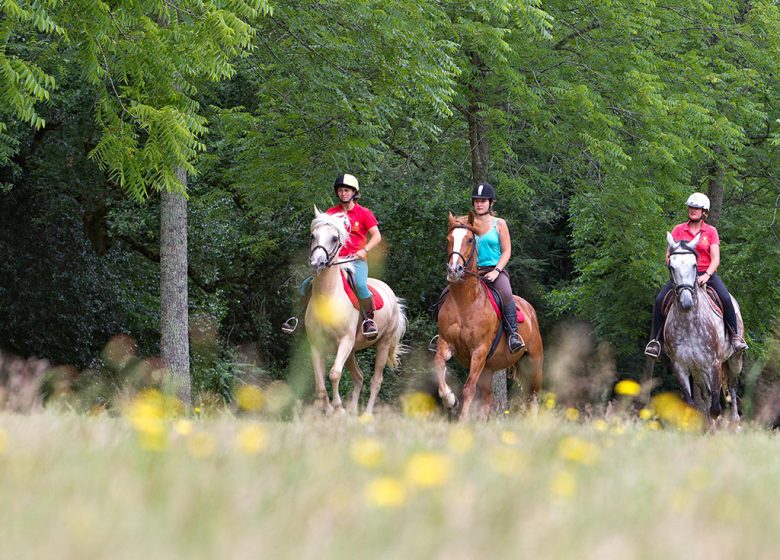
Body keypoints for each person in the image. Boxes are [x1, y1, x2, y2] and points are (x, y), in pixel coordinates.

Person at [644, 192, 748, 359]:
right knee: (659, 300)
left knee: (725, 298)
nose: (692, 210)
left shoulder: (711, 231)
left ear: (704, 212)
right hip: (682, 276)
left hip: (706, 274)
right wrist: (675, 267)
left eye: (696, 208)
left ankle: (735, 337)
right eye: (691, 207)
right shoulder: (678, 230)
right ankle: (656, 341)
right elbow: (668, 257)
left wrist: (707, 275)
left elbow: (716, 259)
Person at [282, 173, 382, 340]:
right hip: (333, 261)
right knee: (306, 284)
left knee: (360, 285)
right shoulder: (330, 213)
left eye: (347, 190)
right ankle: (297, 319)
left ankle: (368, 321)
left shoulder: (364, 213)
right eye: (340, 190)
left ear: (354, 193)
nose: (343, 193)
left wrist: (365, 250)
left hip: (355, 260)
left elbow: (377, 236)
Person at [430, 183, 525, 353]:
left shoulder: (499, 224)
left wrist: (497, 271)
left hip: (494, 270)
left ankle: (513, 335)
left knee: (505, 293)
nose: (479, 204)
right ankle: (441, 335)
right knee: (445, 294)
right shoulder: (466, 222)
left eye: (483, 201)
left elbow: (507, 251)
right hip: (469, 271)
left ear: (491, 203)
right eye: (476, 201)